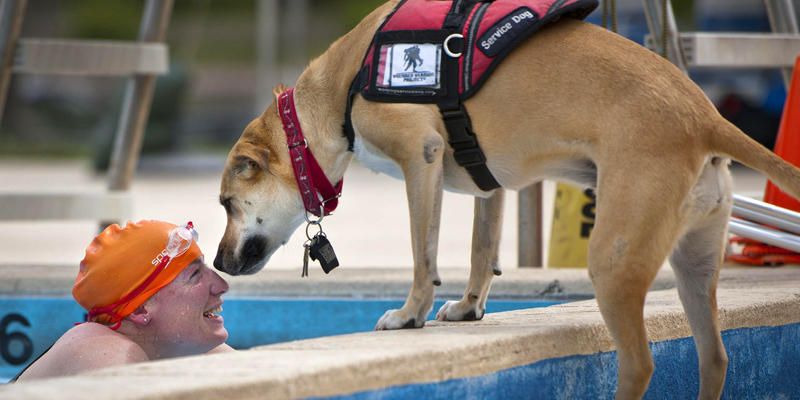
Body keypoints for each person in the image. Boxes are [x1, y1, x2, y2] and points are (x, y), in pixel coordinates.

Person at [12, 220, 234, 382]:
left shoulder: (193, 349)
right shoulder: (106, 354)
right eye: (195, 276)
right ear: (140, 309)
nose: (221, 285)